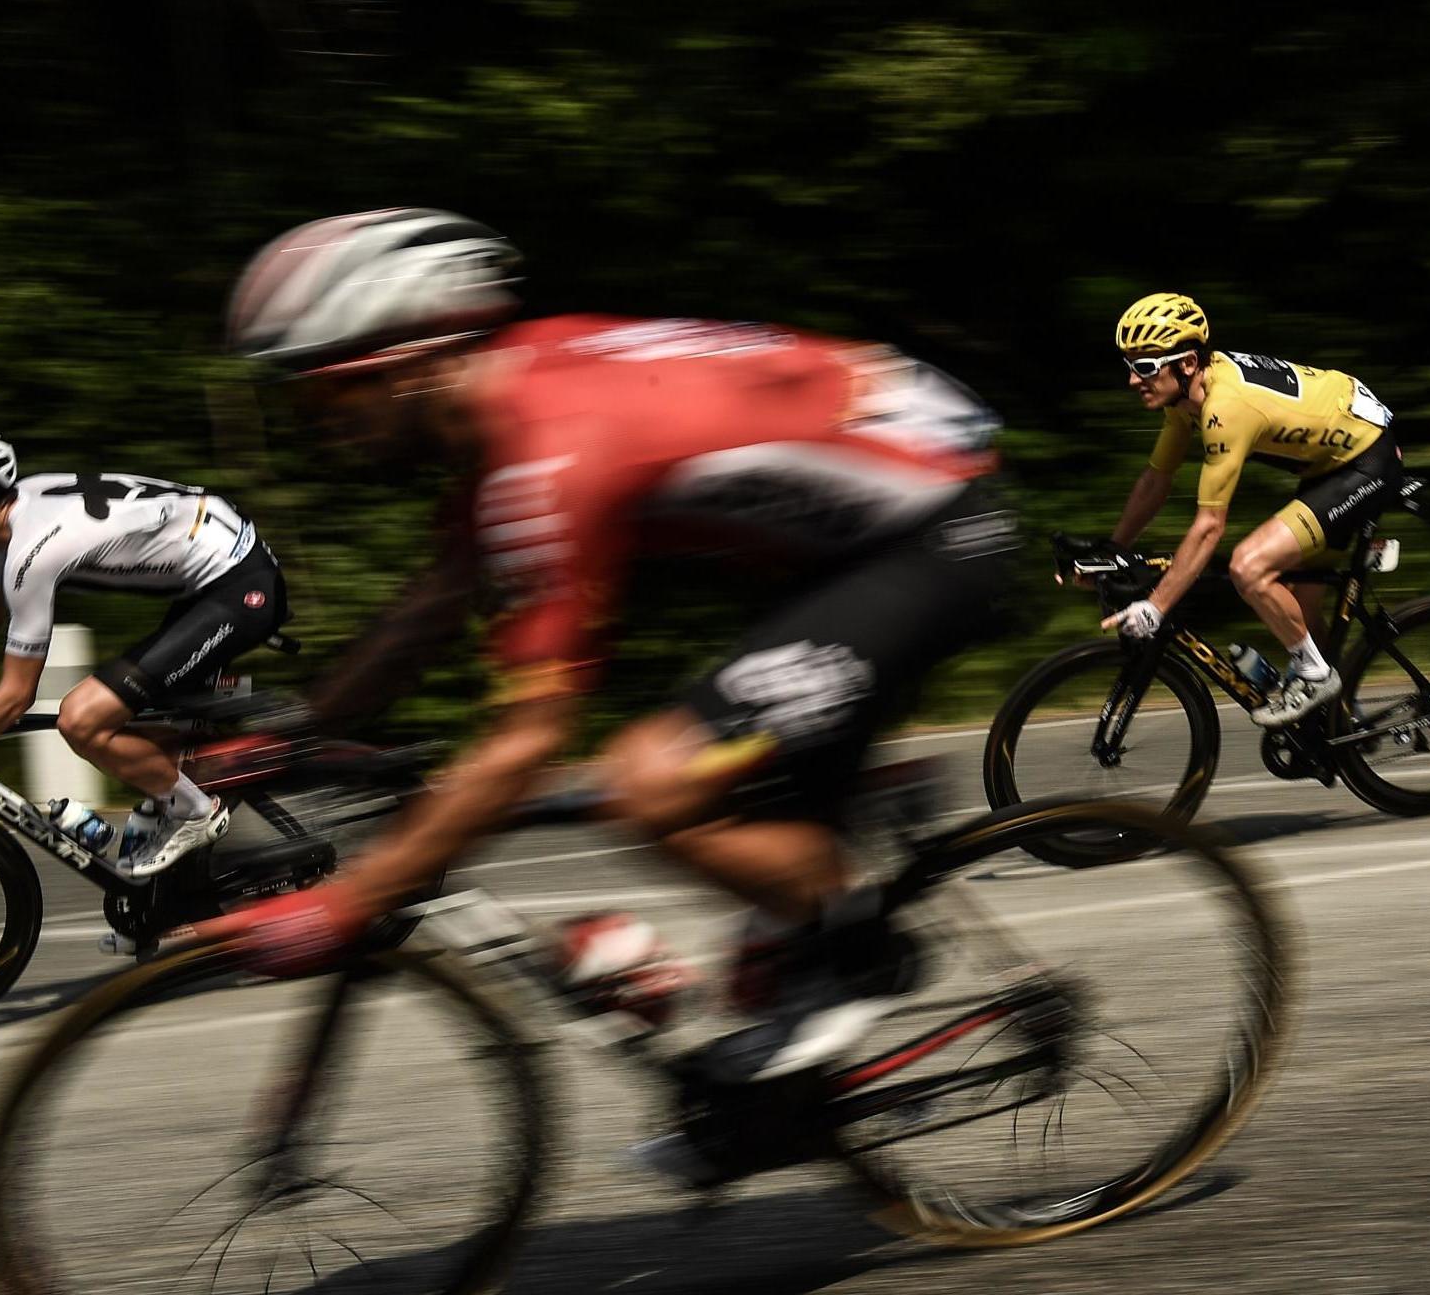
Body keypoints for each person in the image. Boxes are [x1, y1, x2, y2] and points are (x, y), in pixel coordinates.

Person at [189, 209, 1016, 1156]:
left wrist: (347, 902)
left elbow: (533, 736)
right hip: (846, 542)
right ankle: (822, 872)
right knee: (729, 847)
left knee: (647, 782)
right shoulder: (507, 402)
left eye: (329, 396)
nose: (315, 424)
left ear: (411, 362)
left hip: (937, 537)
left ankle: (862, 948)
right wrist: (296, 734)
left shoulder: (556, 447)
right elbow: (436, 601)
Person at [0, 431, 289, 877]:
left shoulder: (31, 553)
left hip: (238, 583)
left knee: (82, 720)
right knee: (143, 731)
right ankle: (182, 817)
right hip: (211, 561)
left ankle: (196, 811)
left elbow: (16, 696)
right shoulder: (16, 513)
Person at [1101, 292, 1401, 728]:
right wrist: (1113, 549)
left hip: (1367, 459)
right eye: (1130, 366)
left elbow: (1209, 527)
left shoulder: (1225, 408)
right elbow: (1155, 481)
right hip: (1329, 458)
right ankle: (1342, 723)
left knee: (1249, 565)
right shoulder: (1186, 399)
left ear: (1187, 364)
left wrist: (1155, 606)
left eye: (1145, 368)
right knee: (1300, 606)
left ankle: (1315, 678)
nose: (1133, 380)